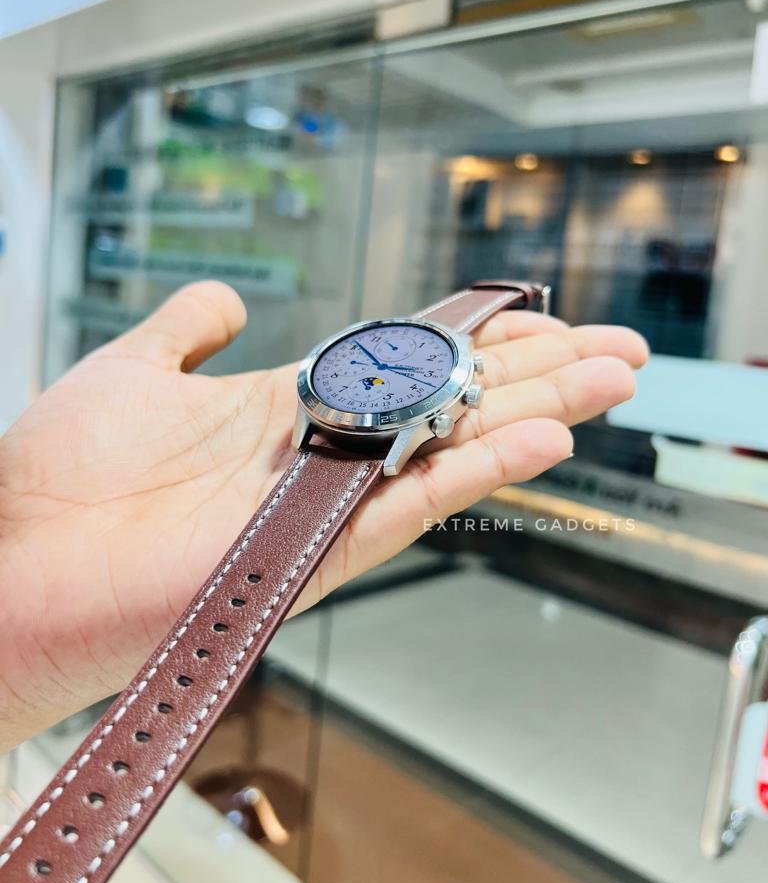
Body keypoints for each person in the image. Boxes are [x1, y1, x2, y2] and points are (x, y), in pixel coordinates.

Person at [0, 281, 648, 753]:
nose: (380, 364)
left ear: (461, 390)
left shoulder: (433, 387)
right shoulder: (317, 394)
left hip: (375, 433)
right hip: (326, 425)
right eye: (372, 359)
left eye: (393, 364)